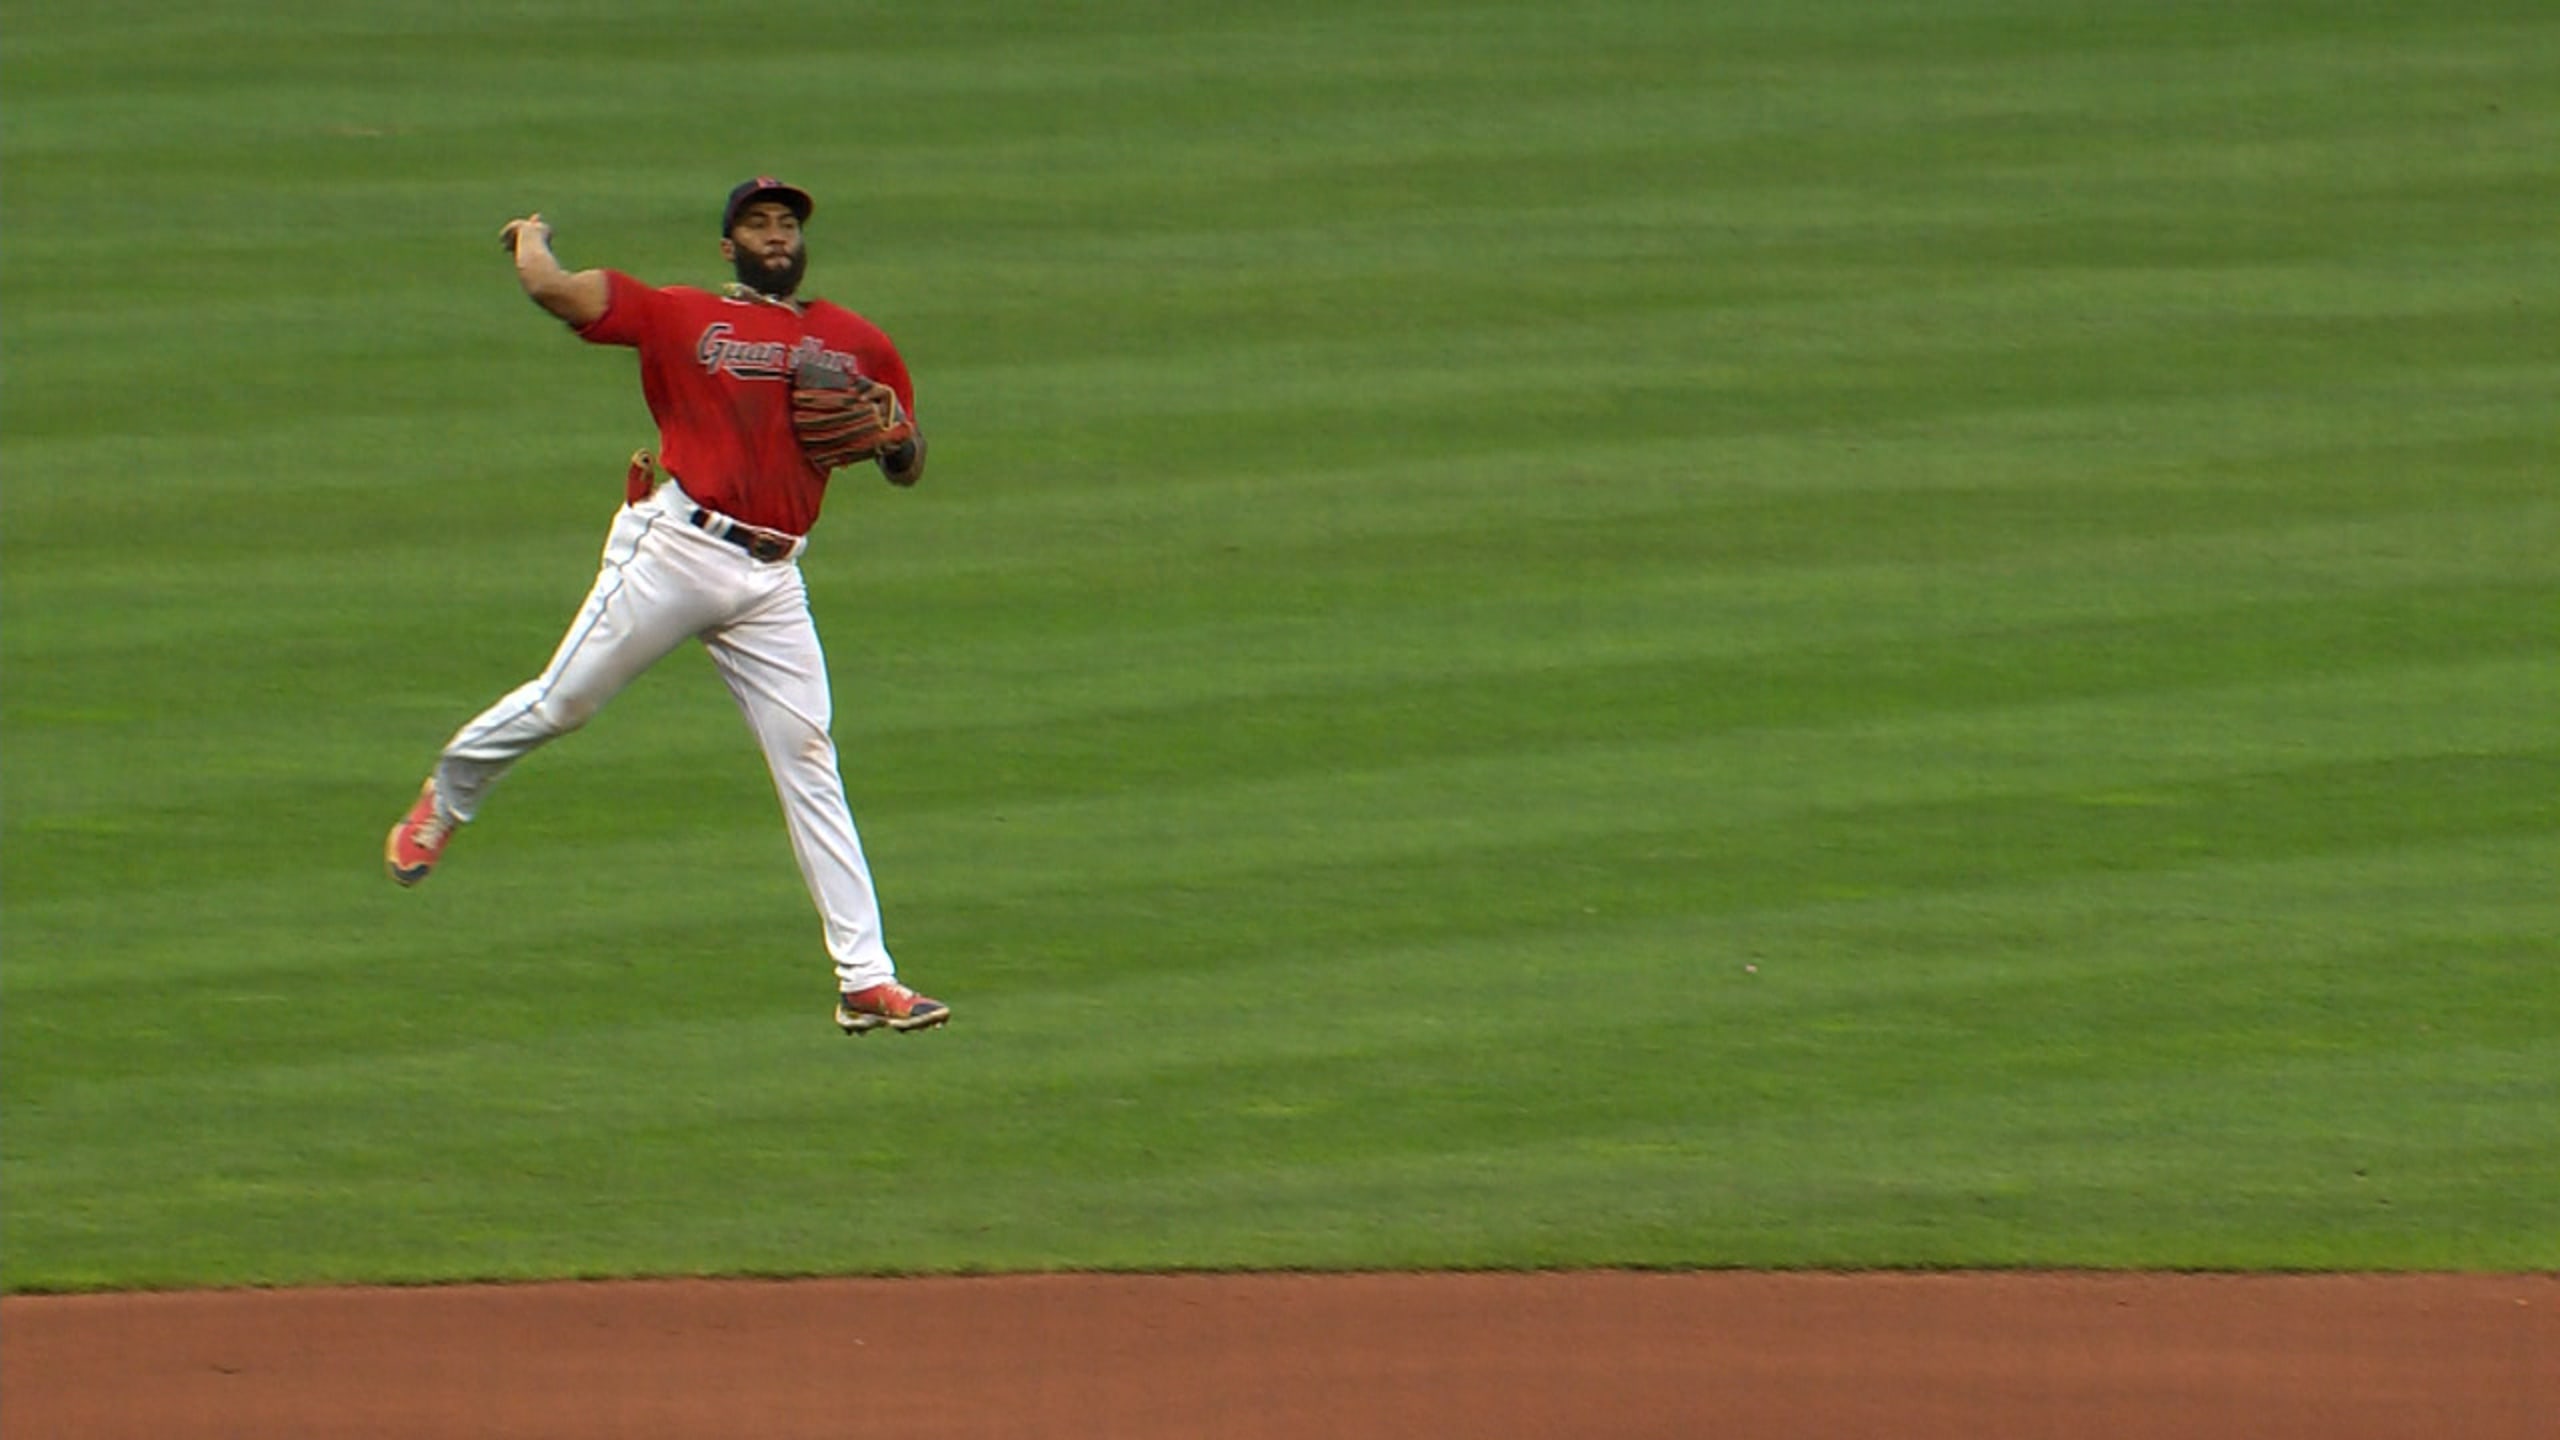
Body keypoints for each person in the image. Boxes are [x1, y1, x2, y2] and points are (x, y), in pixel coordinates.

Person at [384, 177, 948, 1037]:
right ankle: (449, 798)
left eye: (785, 223)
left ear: (801, 242)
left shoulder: (854, 341)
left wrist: (899, 440)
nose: (773, 234)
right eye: (756, 223)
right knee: (561, 703)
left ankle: (866, 979)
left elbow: (905, 464)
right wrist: (530, 238)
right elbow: (556, 292)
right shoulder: (678, 314)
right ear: (729, 245)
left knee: (809, 759)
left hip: (774, 579)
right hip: (676, 548)